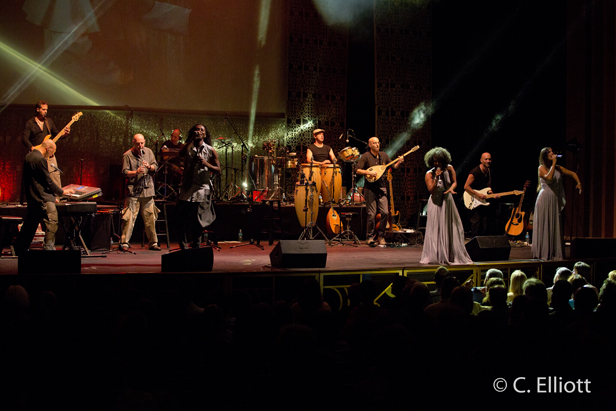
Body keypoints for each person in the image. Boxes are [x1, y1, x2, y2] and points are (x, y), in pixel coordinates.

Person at [13, 140, 74, 255]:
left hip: (33, 197)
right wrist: (62, 192)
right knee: (52, 220)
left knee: (31, 223)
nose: (51, 155)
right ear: (47, 148)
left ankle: (20, 246)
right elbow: (48, 181)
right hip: (43, 198)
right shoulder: (40, 159)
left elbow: (36, 181)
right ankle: (48, 247)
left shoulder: (29, 156)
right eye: (52, 152)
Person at [420, 147, 472, 265]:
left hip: (447, 201)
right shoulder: (429, 174)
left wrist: (451, 189)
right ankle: (437, 255)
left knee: (449, 227)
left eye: (439, 161)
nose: (437, 163)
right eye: (434, 161)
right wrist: (436, 178)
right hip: (435, 202)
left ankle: (449, 254)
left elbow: (454, 182)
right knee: (436, 228)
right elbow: (431, 190)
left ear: (444, 160)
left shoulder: (449, 168)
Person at [174, 124, 220, 250]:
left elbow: (218, 170)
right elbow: (180, 154)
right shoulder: (188, 147)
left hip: (201, 189)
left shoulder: (210, 150)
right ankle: (184, 248)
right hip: (187, 189)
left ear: (205, 134)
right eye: (196, 129)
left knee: (197, 222)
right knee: (178, 219)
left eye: (201, 130)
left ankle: (196, 248)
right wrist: (190, 140)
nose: (198, 131)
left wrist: (206, 164)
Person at [531, 147, 582, 260]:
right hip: (544, 199)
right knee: (545, 224)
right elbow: (549, 178)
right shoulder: (541, 168)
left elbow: (572, 173)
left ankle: (554, 252)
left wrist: (578, 183)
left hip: (554, 199)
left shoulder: (558, 168)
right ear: (545, 155)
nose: (552, 153)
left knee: (554, 223)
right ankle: (543, 252)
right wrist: (553, 164)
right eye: (549, 152)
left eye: (552, 151)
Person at [355, 137, 403, 245]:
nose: (377, 145)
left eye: (378, 143)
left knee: (385, 212)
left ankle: (381, 236)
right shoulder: (366, 156)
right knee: (371, 214)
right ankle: (370, 237)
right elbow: (357, 170)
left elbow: (393, 168)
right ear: (370, 145)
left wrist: (399, 162)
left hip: (382, 187)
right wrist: (368, 172)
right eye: (374, 143)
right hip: (370, 188)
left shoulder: (384, 156)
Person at [120, 133, 161, 251]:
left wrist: (149, 167)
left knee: (150, 217)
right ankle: (124, 243)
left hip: (148, 190)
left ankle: (153, 243)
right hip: (133, 191)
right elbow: (124, 172)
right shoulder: (127, 155)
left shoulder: (148, 152)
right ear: (133, 142)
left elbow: (155, 166)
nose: (140, 146)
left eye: (142, 143)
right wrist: (136, 172)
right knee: (129, 218)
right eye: (138, 144)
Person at [22, 100, 70, 197]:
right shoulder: (30, 123)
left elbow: (57, 135)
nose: (45, 111)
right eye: (43, 109)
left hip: (49, 154)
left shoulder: (49, 122)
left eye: (46, 110)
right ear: (37, 109)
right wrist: (32, 148)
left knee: (55, 175)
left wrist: (64, 134)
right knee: (39, 177)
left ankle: (58, 198)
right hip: (37, 155)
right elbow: (25, 139)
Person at [463, 152, 496, 236]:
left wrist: (491, 193)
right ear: (481, 160)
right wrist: (478, 194)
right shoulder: (475, 172)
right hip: (473, 198)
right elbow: (466, 186)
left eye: (489, 159)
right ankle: (474, 241)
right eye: (486, 159)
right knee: (476, 222)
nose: (488, 161)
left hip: (483, 200)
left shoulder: (490, 171)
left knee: (486, 222)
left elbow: (488, 186)